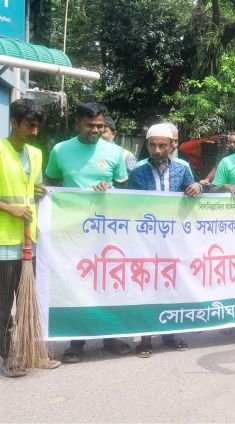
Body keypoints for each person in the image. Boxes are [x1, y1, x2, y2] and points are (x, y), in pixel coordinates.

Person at [45, 101, 132, 363]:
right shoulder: (60, 151)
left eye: (99, 125)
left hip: (108, 232)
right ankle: (76, 342)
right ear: (77, 124)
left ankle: (111, 338)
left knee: (109, 284)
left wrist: (111, 190)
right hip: (73, 231)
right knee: (76, 285)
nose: (95, 130)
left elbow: (125, 190)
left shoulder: (115, 152)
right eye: (90, 125)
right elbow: (51, 185)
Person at [127, 123, 201, 357]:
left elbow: (191, 190)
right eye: (152, 145)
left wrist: (196, 187)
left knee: (172, 285)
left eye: (162, 145)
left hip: (175, 240)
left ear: (171, 146)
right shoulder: (138, 171)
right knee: (148, 286)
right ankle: (146, 339)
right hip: (146, 239)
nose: (157, 150)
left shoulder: (183, 168)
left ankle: (171, 334)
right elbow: (126, 204)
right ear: (147, 145)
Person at [0, 99, 61, 377]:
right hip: (3, 241)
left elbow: (31, 188)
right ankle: (8, 356)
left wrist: (40, 191)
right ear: (14, 122)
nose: (34, 132)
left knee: (30, 303)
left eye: (37, 126)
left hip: (30, 239)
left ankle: (33, 352)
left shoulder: (36, 154)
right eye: (29, 125)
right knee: (3, 307)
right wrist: (9, 207)